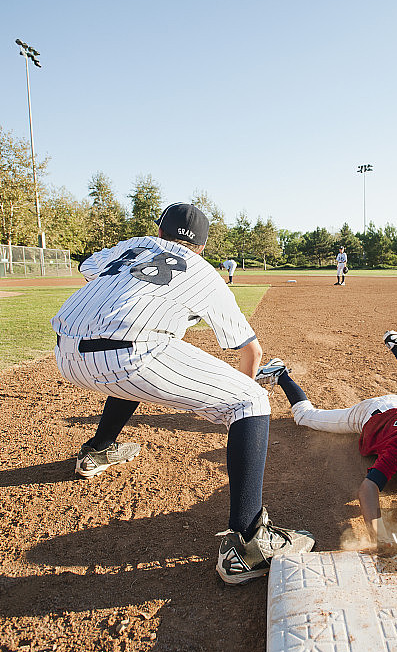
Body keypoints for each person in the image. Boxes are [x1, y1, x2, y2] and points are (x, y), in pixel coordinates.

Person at [51, 202, 314, 585]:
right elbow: (251, 352)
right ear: (202, 247)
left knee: (146, 357)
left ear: (160, 232)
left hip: (64, 352)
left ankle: (98, 449)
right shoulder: (204, 273)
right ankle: (248, 544)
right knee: (251, 400)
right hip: (127, 355)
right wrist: (237, 414)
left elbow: (88, 267)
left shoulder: (134, 244)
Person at [254, 332, 397, 544]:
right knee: (306, 417)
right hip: (369, 414)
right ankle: (280, 374)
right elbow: (368, 489)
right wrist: (379, 538)